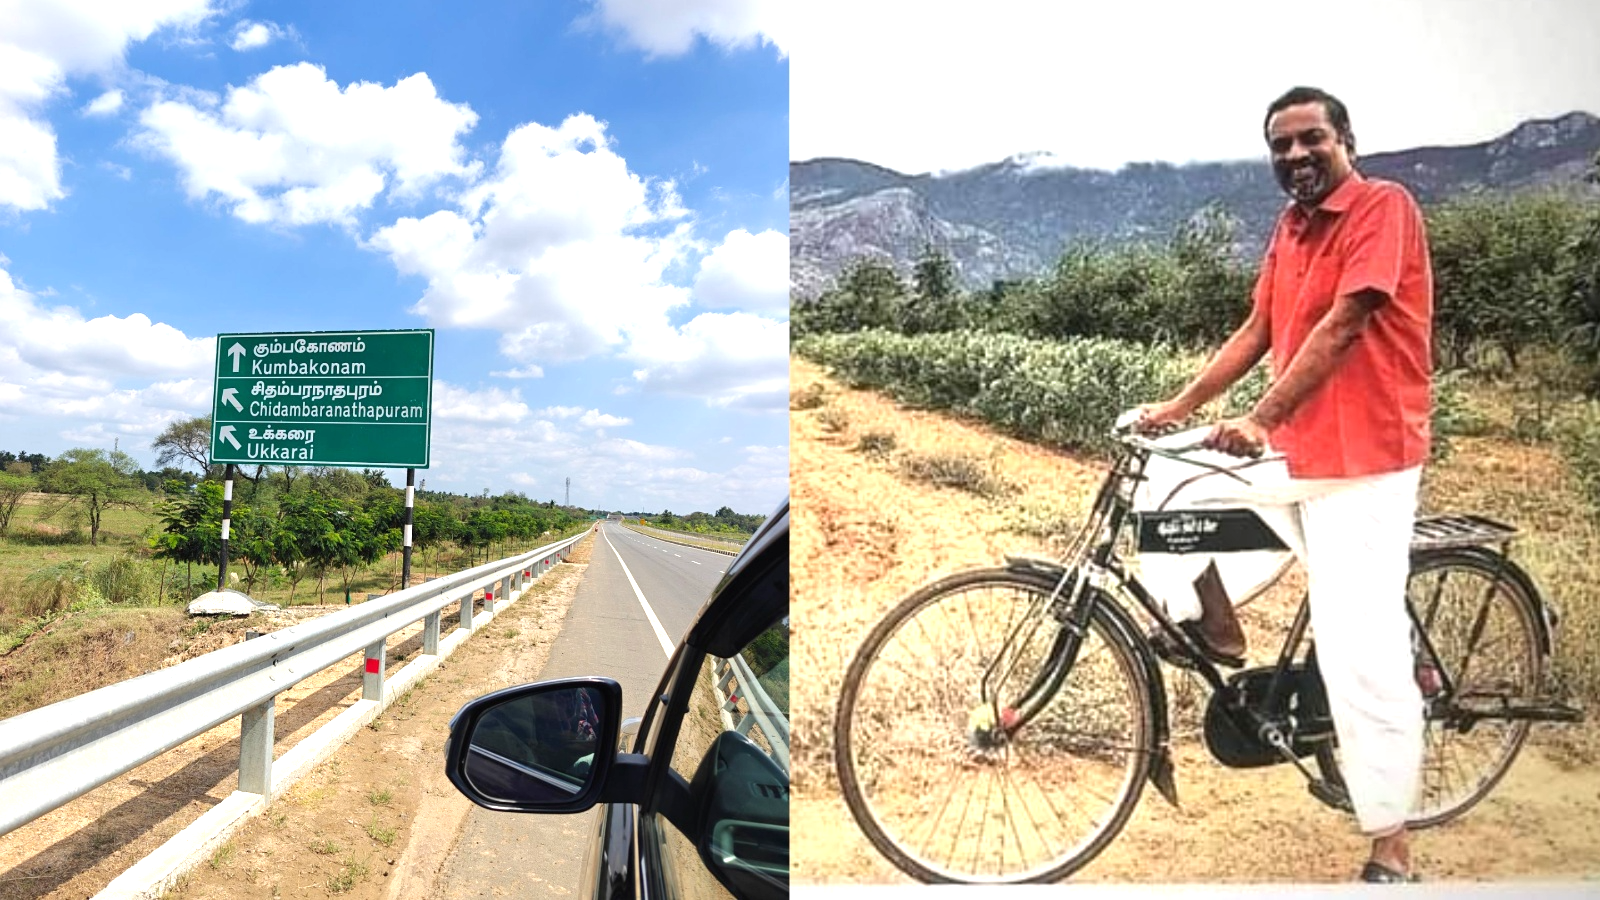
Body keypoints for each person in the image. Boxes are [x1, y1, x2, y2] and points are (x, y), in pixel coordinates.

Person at [1136, 85, 1432, 884]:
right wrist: (1180, 408)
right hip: (1301, 450)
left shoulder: (1383, 207)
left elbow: (1348, 319)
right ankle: (1221, 628)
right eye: (1281, 145)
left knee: (1356, 651)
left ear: (1345, 140)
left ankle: (1392, 841)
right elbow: (1258, 328)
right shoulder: (1290, 227)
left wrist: (1260, 418)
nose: (1296, 155)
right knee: (1167, 484)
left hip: (1365, 459)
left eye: (1311, 139)